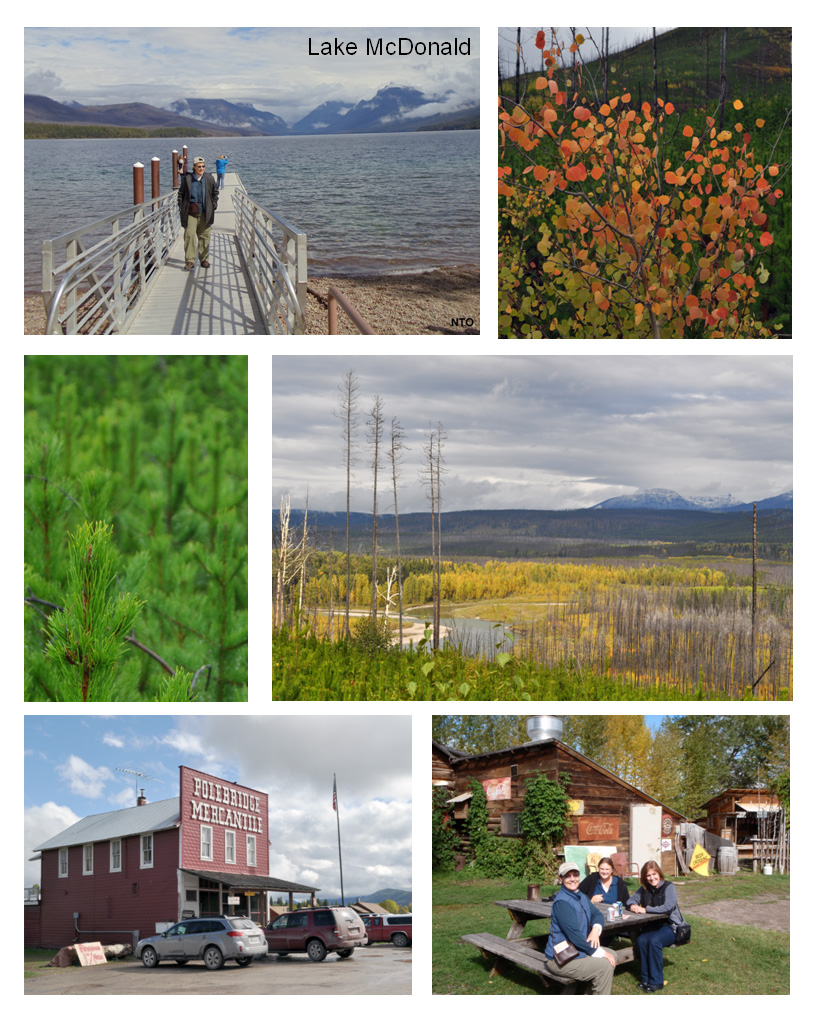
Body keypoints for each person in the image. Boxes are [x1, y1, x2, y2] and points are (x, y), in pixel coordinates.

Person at [542, 861, 616, 994]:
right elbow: (575, 936)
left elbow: (597, 914)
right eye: (567, 876)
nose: (572, 879)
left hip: (576, 948)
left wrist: (595, 930)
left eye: (575, 875)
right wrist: (600, 953)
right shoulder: (562, 902)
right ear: (561, 879)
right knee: (604, 965)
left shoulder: (581, 896)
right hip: (559, 957)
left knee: (613, 954)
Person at [626, 860, 685, 993]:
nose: (652, 878)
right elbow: (631, 899)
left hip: (670, 926)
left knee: (654, 942)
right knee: (641, 941)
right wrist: (632, 906)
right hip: (653, 926)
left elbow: (668, 907)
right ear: (644, 877)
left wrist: (645, 909)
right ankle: (645, 979)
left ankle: (657, 981)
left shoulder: (668, 887)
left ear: (659, 874)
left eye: (654, 874)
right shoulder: (645, 888)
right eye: (648, 875)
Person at [177, 156, 219, 270]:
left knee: (204, 237)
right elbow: (180, 194)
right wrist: (181, 207)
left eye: (203, 166)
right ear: (194, 167)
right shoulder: (187, 179)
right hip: (190, 213)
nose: (201, 168)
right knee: (189, 235)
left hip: (205, 212)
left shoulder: (209, 178)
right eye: (199, 166)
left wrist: (214, 205)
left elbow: (215, 193)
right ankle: (190, 260)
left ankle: (204, 259)